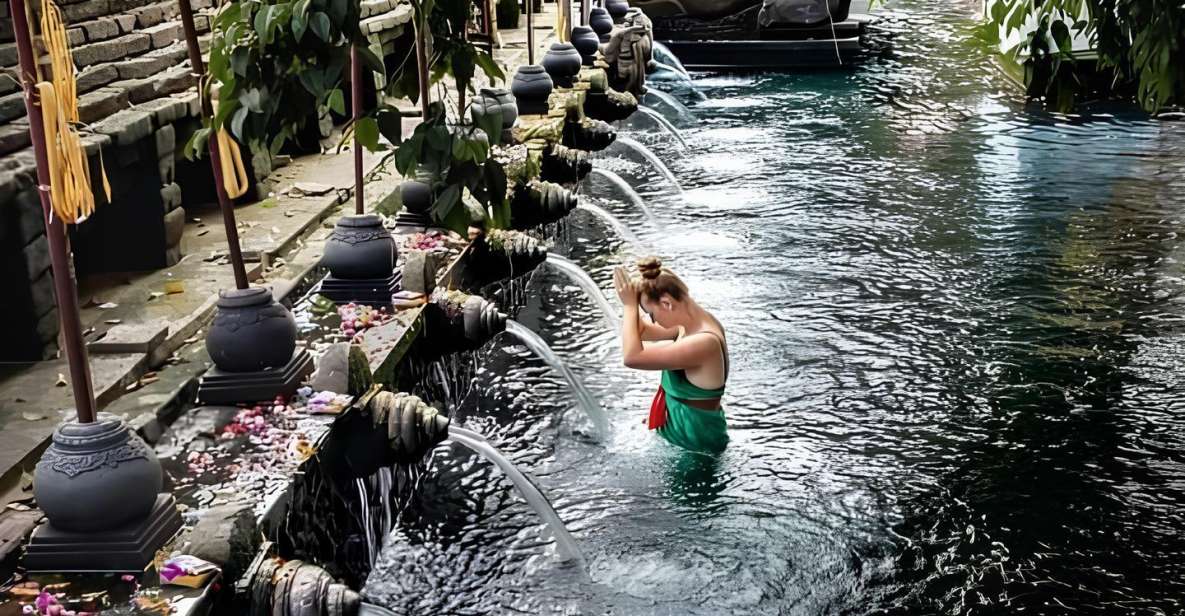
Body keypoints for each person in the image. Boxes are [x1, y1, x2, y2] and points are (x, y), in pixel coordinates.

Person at [613, 256, 729, 453]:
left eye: (651, 313)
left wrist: (630, 306)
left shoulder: (704, 342)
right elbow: (641, 331)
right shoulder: (690, 325)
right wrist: (629, 296)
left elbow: (632, 357)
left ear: (666, 304)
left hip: (695, 446)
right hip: (682, 434)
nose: (654, 320)